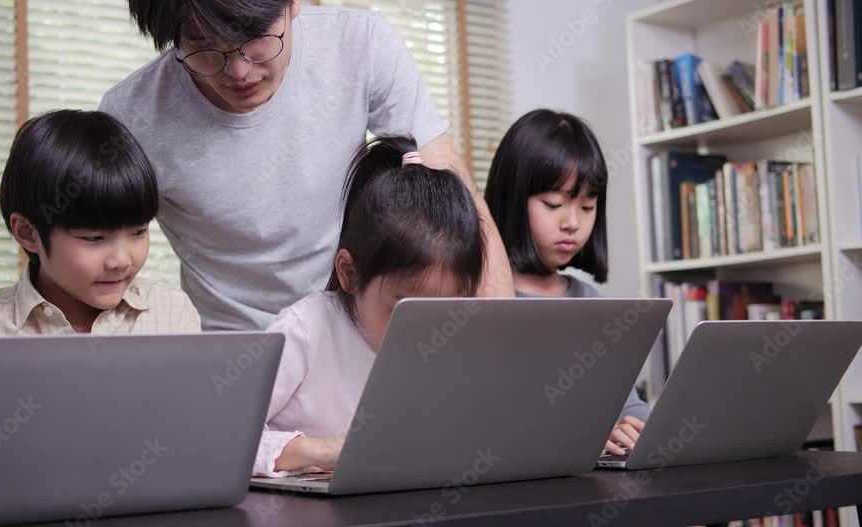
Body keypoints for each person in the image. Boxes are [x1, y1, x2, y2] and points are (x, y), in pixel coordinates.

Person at [100, 0, 512, 331]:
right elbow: (100, 261)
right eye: (205, 46)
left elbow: (456, 201)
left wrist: (498, 336)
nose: (239, 71)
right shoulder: (132, 115)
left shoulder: (359, 44)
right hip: (231, 350)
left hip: (350, 331)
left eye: (256, 38)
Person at [0, 110, 202, 504]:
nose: (122, 259)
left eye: (138, 232)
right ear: (28, 233)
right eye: (94, 238)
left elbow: (195, 441)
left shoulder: (170, 315)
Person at [252, 136, 484, 476]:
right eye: (406, 310)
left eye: (450, 310)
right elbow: (216, 438)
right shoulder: (306, 331)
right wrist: (316, 450)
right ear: (349, 274)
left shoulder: (460, 341)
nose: (433, 332)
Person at [484, 109, 648, 456]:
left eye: (587, 207)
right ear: (511, 199)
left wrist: (652, 431)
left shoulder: (594, 302)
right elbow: (490, 420)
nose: (572, 222)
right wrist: (583, 435)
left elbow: (625, 404)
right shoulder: (479, 298)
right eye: (553, 204)